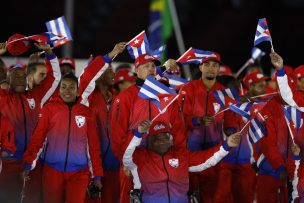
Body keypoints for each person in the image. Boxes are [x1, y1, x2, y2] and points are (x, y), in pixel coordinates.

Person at [111, 53, 186, 203]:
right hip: (135, 161)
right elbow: (117, 134)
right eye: (146, 66)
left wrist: (179, 158)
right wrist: (124, 162)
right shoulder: (125, 97)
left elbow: (178, 130)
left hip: (162, 161)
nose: (151, 69)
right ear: (137, 70)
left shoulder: (166, 96)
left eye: (153, 66)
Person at [21, 73, 103, 203]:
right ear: (59, 89)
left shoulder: (86, 112)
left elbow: (93, 145)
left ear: (78, 90)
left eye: (71, 87)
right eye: (63, 87)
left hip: (79, 173)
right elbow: (38, 138)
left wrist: (97, 175)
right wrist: (28, 163)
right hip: (52, 171)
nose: (67, 91)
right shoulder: (49, 109)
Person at [123, 120, 241, 203]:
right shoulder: (139, 157)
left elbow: (205, 159)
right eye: (157, 137)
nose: (162, 140)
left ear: (171, 140)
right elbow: (125, 154)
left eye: (166, 136)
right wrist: (138, 133)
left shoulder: (181, 155)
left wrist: (226, 145)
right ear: (149, 140)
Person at [0, 42, 61, 203]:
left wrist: (49, 53)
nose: (20, 79)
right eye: (15, 76)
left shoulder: (36, 96)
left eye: (22, 76)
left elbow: (55, 78)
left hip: (33, 162)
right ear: (8, 80)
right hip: (9, 162)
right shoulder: (3, 98)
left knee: (32, 200)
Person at [214, 71, 269, 203]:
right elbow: (226, 127)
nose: (263, 87)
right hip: (224, 161)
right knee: (220, 199)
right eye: (259, 84)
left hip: (246, 163)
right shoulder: (225, 103)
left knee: (245, 198)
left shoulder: (261, 106)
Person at [178, 52, 226, 202]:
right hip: (191, 150)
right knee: (188, 192)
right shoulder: (188, 89)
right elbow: (179, 118)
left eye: (215, 65)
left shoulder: (224, 92)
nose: (211, 68)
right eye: (207, 65)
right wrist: (196, 121)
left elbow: (231, 119)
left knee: (210, 194)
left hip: (213, 151)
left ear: (219, 69)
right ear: (200, 67)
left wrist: (231, 132)